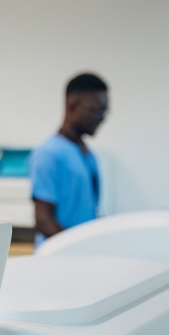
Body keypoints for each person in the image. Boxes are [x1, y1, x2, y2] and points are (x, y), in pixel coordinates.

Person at [29, 72, 109, 243]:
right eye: (97, 110)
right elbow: (44, 221)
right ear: (72, 105)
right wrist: (77, 249)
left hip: (83, 256)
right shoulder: (49, 153)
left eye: (105, 111)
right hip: (60, 261)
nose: (102, 118)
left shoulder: (87, 153)